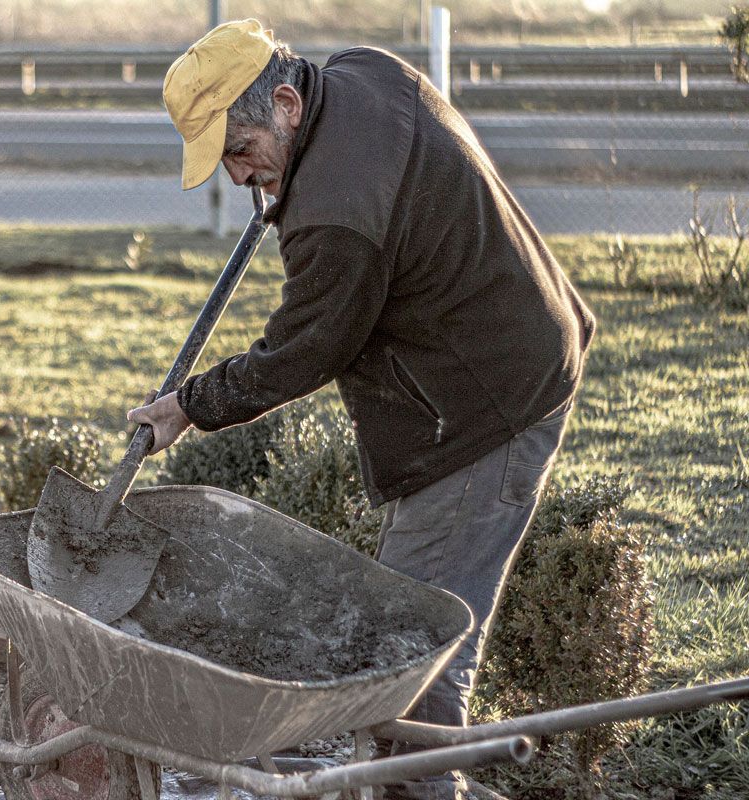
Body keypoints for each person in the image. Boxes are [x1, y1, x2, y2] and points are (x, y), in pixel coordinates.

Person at [128, 20, 595, 800]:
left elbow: (305, 349)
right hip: (510, 348)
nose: (241, 176)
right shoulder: (358, 73)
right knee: (411, 624)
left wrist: (190, 406)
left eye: (240, 152)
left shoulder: (335, 216)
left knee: (408, 662)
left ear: (283, 101)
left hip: (483, 409)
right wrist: (286, 188)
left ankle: (419, 787)